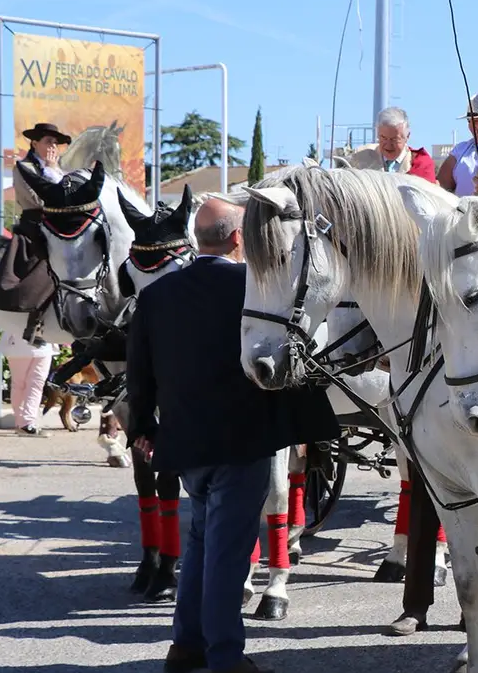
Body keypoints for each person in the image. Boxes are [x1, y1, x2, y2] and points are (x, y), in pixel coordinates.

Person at [125, 196, 340, 673]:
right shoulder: (256, 288)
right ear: (239, 239)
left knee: (202, 542)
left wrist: (142, 428)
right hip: (244, 442)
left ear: (198, 241)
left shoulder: (157, 295)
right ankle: (223, 656)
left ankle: (186, 645)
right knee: (226, 552)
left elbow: (138, 375)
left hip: (185, 445)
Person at [0, 122, 70, 344]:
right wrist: (52, 171)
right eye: (48, 141)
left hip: (60, 225)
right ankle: (33, 311)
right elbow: (37, 200)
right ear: (35, 143)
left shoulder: (61, 170)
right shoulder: (23, 168)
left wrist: (54, 169)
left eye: (55, 142)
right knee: (42, 259)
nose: (53, 146)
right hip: (36, 223)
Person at [344, 106, 436, 182]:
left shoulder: (420, 163)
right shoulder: (358, 159)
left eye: (395, 139)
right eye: (383, 138)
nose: (388, 145)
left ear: (407, 136)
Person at [0, 330, 58, 436]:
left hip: (41, 345)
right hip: (21, 343)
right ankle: (24, 423)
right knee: (23, 384)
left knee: (34, 384)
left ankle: (26, 422)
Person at [436, 91, 478, 197]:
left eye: (476, 121)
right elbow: (441, 187)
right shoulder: (460, 151)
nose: (471, 126)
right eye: (468, 121)